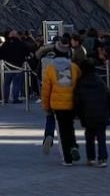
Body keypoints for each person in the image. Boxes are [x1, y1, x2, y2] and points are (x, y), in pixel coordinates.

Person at [41, 36, 81, 166]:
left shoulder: (51, 68)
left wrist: (46, 106)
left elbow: (46, 89)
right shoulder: (74, 67)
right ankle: (73, 145)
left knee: (62, 131)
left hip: (57, 104)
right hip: (71, 102)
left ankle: (67, 158)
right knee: (70, 127)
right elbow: (78, 85)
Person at [73, 59, 110, 167]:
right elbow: (109, 97)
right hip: (101, 114)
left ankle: (91, 158)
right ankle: (102, 158)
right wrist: (108, 113)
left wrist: (78, 114)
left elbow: (78, 101)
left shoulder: (80, 82)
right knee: (101, 137)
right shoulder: (100, 81)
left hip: (87, 115)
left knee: (89, 136)